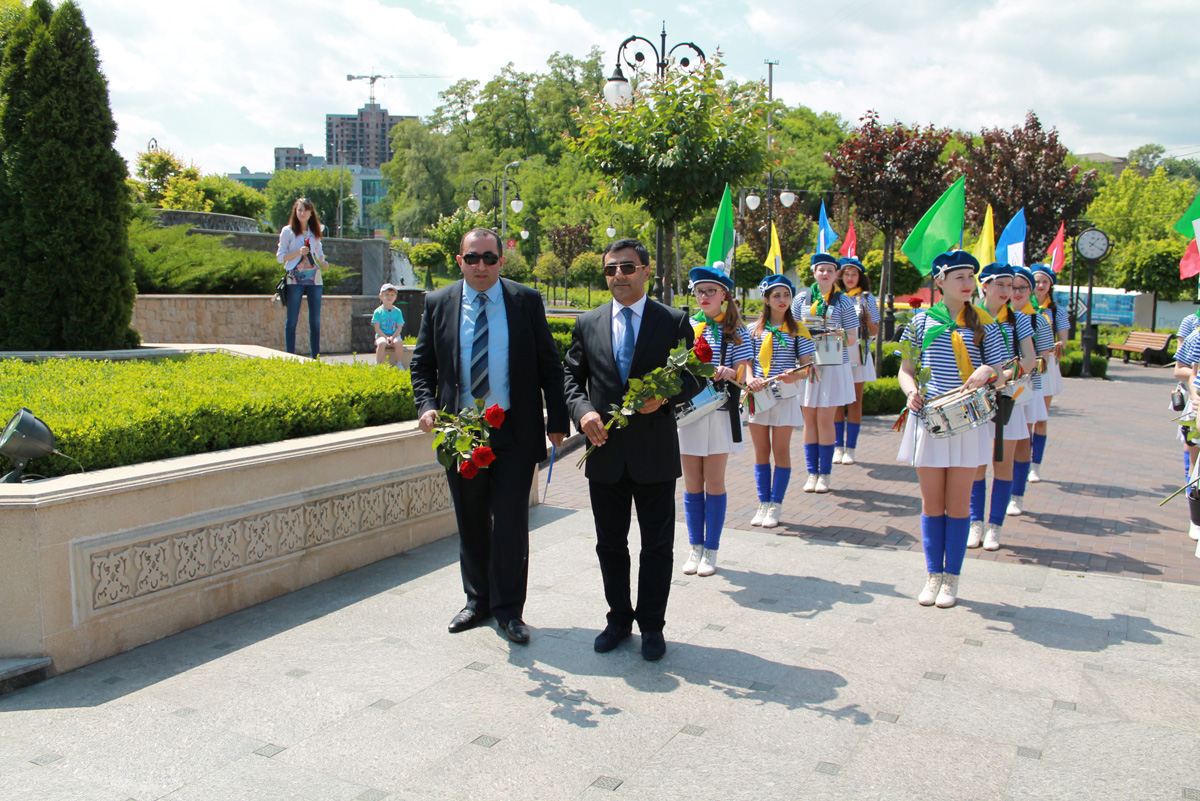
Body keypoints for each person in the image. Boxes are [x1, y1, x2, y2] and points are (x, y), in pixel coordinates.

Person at [410, 228, 569, 644]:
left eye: (490, 258)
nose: (481, 266)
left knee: (512, 523)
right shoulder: (438, 302)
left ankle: (509, 610)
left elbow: (549, 365)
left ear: (502, 261)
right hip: (462, 433)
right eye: (473, 258)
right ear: (459, 260)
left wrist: (557, 424)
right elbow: (422, 365)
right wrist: (426, 405)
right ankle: (477, 601)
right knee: (472, 520)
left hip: (515, 430)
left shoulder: (526, 302)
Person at [563, 238, 700, 662]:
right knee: (610, 543)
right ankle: (618, 618)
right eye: (610, 270)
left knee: (657, 545)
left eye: (626, 267)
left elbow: (695, 376)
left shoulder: (673, 321)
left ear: (645, 270)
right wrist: (582, 412)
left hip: (655, 452)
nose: (617, 275)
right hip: (604, 451)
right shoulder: (587, 323)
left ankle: (652, 626)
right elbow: (570, 378)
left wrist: (667, 397)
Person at [897, 251, 1006, 608]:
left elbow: (1005, 372)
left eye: (971, 277)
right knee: (932, 503)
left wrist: (987, 371)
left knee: (958, 504)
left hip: (969, 422)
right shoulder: (919, 322)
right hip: (929, 419)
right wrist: (911, 392)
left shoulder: (985, 321)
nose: (967, 283)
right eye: (959, 277)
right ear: (939, 281)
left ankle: (952, 579)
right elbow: (906, 369)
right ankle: (932, 575)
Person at [680, 263, 753, 577]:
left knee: (715, 481)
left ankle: (711, 550)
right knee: (692, 482)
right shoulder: (686, 326)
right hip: (690, 413)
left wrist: (734, 373)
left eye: (711, 291)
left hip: (721, 412)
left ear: (724, 294)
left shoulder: (737, 330)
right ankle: (694, 547)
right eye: (700, 291)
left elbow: (746, 371)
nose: (705, 296)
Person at [968, 263, 1036, 552]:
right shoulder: (969, 317)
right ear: (984, 285)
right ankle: (975, 523)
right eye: (1002, 285)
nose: (1008, 291)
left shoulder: (1018, 320)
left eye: (1011, 286)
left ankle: (995, 526)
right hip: (974, 398)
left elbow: (1030, 360)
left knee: (1002, 462)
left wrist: (1001, 376)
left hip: (1007, 397)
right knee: (975, 464)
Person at [746, 274, 815, 528]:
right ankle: (762, 502)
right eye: (776, 296)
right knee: (761, 451)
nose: (782, 300)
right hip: (759, 396)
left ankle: (776, 504)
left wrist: (793, 375)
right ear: (766, 300)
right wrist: (751, 379)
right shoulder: (754, 330)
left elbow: (808, 368)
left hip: (785, 397)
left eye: (786, 295)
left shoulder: (798, 329)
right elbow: (747, 364)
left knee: (781, 451)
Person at [795, 253, 859, 493]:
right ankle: (811, 473)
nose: (825, 274)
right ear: (814, 272)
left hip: (833, 365)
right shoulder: (802, 299)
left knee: (825, 418)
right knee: (808, 419)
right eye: (820, 269)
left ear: (836, 274)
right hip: (808, 364)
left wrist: (837, 334)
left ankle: (825, 475)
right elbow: (791, 329)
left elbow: (853, 338)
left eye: (830, 270)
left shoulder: (843, 302)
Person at [1007, 266, 1055, 516]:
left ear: (1030, 291)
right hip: (999, 388)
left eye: (1021, 288)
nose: (1015, 292)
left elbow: (1045, 359)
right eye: (1010, 287)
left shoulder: (1038, 319)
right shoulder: (992, 317)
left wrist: (1024, 366)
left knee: (1021, 442)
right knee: (999, 447)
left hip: (1026, 388)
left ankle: (1017, 495)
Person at [833, 257, 880, 465]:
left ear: (860, 276)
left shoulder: (867, 298)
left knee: (855, 401)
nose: (850, 278)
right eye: (846, 274)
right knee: (836, 401)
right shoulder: (834, 296)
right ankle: (837, 446)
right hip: (837, 353)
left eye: (854, 274)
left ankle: (850, 447)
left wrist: (869, 320)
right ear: (841, 276)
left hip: (859, 353)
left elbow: (876, 330)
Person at [1030, 264, 1070, 482]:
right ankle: (1023, 461)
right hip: (1025, 367)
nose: (1040, 285)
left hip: (1046, 367)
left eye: (1045, 282)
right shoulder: (1022, 308)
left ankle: (1035, 465)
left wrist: (1056, 345)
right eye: (1037, 281)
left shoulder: (1056, 311)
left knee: (1041, 418)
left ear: (1050, 285)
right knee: (1024, 417)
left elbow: (1064, 342)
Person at [276, 197, 327, 358]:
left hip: (314, 277)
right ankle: (290, 355)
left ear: (311, 213)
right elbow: (280, 257)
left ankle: (315, 357)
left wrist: (323, 261)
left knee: (316, 320)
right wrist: (298, 252)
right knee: (292, 320)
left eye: (305, 210)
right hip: (295, 277)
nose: (302, 213)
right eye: (299, 210)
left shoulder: (315, 231)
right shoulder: (288, 231)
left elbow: (319, 252)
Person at [373, 283, 406, 367]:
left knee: (399, 342)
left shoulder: (398, 311)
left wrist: (393, 337)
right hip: (381, 335)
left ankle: (399, 363)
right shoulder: (378, 311)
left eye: (392, 295)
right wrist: (385, 337)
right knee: (382, 343)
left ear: (395, 297)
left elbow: (399, 327)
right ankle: (378, 364)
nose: (389, 297)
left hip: (394, 335)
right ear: (381, 296)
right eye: (386, 294)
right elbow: (377, 328)